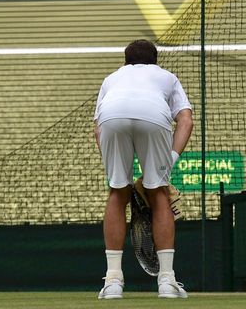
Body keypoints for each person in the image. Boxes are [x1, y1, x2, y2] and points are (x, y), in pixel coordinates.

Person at [93, 39, 194, 299]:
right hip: (153, 116)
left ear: (125, 62)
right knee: (158, 193)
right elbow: (185, 119)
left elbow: (98, 128)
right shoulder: (167, 77)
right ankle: (167, 282)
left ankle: (113, 282)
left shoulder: (111, 78)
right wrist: (168, 162)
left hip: (111, 117)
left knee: (117, 193)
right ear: (155, 61)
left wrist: (116, 171)